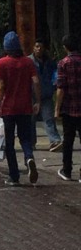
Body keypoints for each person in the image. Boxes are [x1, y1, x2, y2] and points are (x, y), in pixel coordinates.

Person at [0, 30, 41, 186]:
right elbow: (35, 81)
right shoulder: (28, 62)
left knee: (9, 142)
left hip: (8, 108)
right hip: (25, 107)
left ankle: (14, 176)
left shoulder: (2, 63)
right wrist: (37, 101)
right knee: (25, 138)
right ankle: (29, 158)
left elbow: (0, 86)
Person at [55, 34, 81, 181]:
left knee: (68, 140)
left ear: (65, 47)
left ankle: (67, 170)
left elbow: (61, 88)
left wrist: (57, 108)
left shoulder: (63, 63)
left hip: (68, 107)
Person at [30, 40, 62, 151]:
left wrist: (54, 85)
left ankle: (55, 140)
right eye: (37, 46)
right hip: (32, 95)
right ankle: (31, 142)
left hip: (46, 93)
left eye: (41, 47)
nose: (39, 49)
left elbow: (55, 74)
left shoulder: (49, 62)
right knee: (31, 120)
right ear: (33, 48)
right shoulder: (29, 61)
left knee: (49, 119)